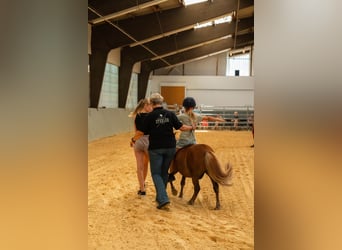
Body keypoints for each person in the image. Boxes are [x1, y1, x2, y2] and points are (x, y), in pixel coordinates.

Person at [142, 93, 195, 210]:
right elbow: (181, 128)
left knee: (156, 173)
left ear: (151, 103)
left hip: (156, 148)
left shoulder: (149, 116)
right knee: (164, 172)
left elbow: (144, 132)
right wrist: (192, 127)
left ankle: (164, 198)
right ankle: (160, 197)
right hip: (170, 147)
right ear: (162, 102)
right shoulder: (170, 114)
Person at [129, 98, 153, 196]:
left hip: (138, 141)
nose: (151, 107)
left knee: (140, 166)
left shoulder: (136, 116)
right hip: (148, 141)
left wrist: (133, 140)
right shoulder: (151, 117)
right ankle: (144, 183)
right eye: (150, 105)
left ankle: (142, 189)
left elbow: (136, 131)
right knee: (147, 164)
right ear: (145, 106)